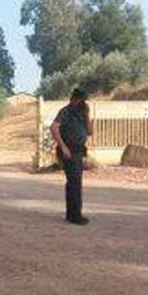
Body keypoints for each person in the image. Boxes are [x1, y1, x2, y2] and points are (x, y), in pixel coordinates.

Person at [51, 88, 94, 225]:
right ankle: (75, 215)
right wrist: (63, 146)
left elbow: (89, 132)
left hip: (78, 150)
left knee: (75, 182)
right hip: (68, 150)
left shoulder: (81, 113)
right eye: (81, 100)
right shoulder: (66, 111)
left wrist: (87, 115)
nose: (82, 103)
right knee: (74, 182)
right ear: (74, 99)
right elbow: (54, 127)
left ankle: (73, 213)